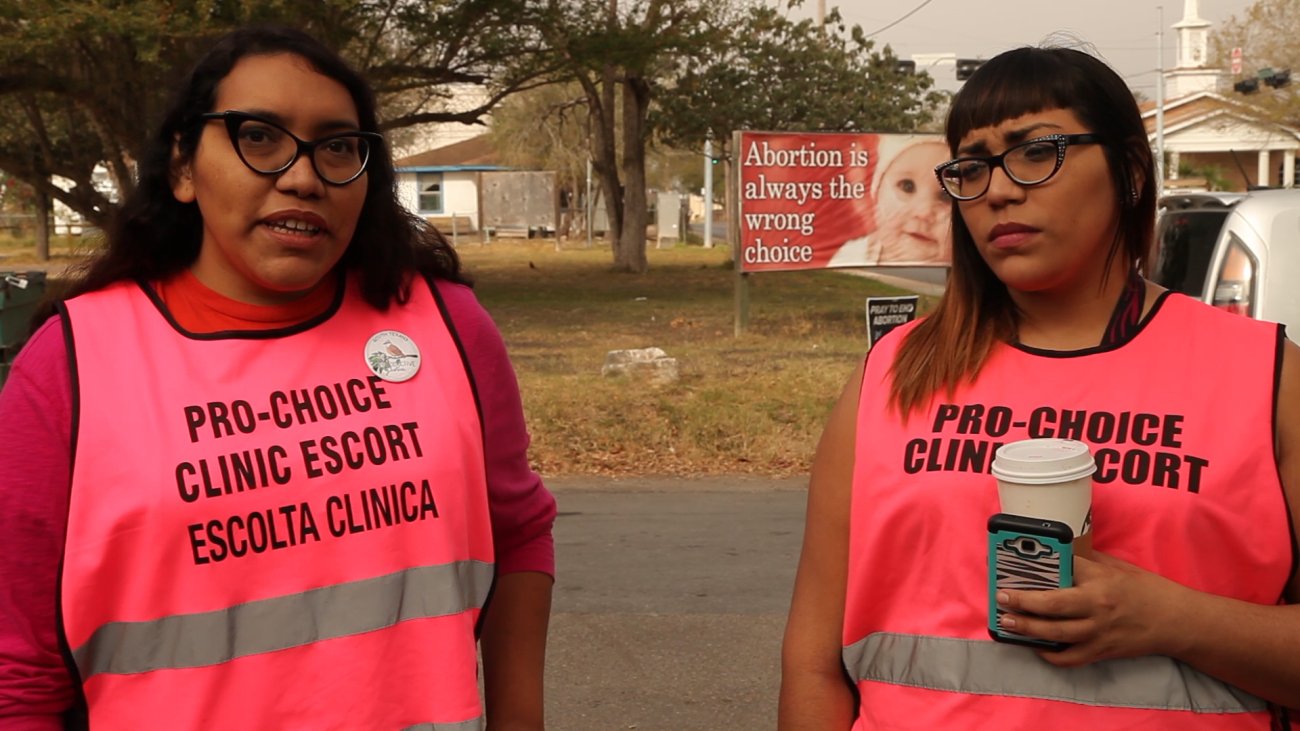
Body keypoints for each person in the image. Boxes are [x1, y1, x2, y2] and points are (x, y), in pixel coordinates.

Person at [0, 26, 555, 730]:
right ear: (182, 167)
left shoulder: (446, 325)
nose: (303, 176)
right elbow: (19, 671)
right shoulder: (70, 364)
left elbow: (519, 530)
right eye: (258, 135)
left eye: (337, 146)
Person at [780, 45, 1300, 730]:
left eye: (1036, 151)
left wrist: (1173, 618)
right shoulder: (892, 375)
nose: (997, 189)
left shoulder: (1264, 375)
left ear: (1130, 171)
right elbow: (814, 663)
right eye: (971, 166)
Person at [829, 137, 951, 267]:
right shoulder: (853, 254)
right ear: (877, 195)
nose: (923, 212)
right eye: (907, 186)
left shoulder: (966, 273)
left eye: (947, 196)